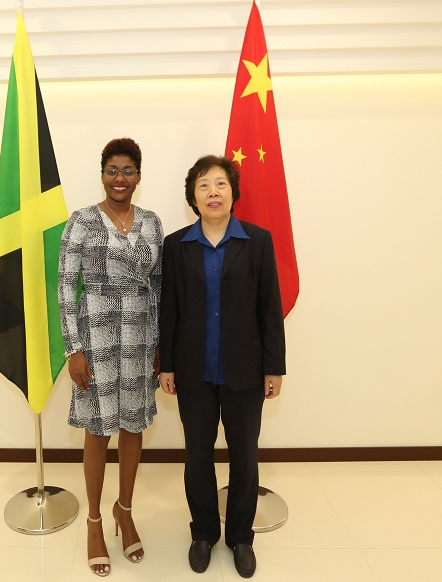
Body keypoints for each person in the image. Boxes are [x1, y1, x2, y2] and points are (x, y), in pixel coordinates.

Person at [158, 154, 286, 578]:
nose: (212, 192)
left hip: (245, 371)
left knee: (244, 456)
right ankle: (203, 533)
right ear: (193, 197)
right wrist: (167, 365)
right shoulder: (176, 245)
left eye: (220, 184)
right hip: (193, 371)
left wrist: (274, 367)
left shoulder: (258, 240)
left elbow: (269, 308)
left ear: (233, 193)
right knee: (197, 456)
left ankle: (241, 538)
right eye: (203, 185)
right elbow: (169, 310)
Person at [58, 137, 163, 577]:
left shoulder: (152, 223)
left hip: (140, 337)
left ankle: (125, 510)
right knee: (99, 431)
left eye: (128, 170)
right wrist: (74, 349)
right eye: (112, 170)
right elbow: (66, 288)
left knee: (133, 426)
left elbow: (158, 288)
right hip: (96, 339)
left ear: (139, 176)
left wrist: (160, 345)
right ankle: (95, 521)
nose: (120, 178)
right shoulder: (81, 221)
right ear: (102, 174)